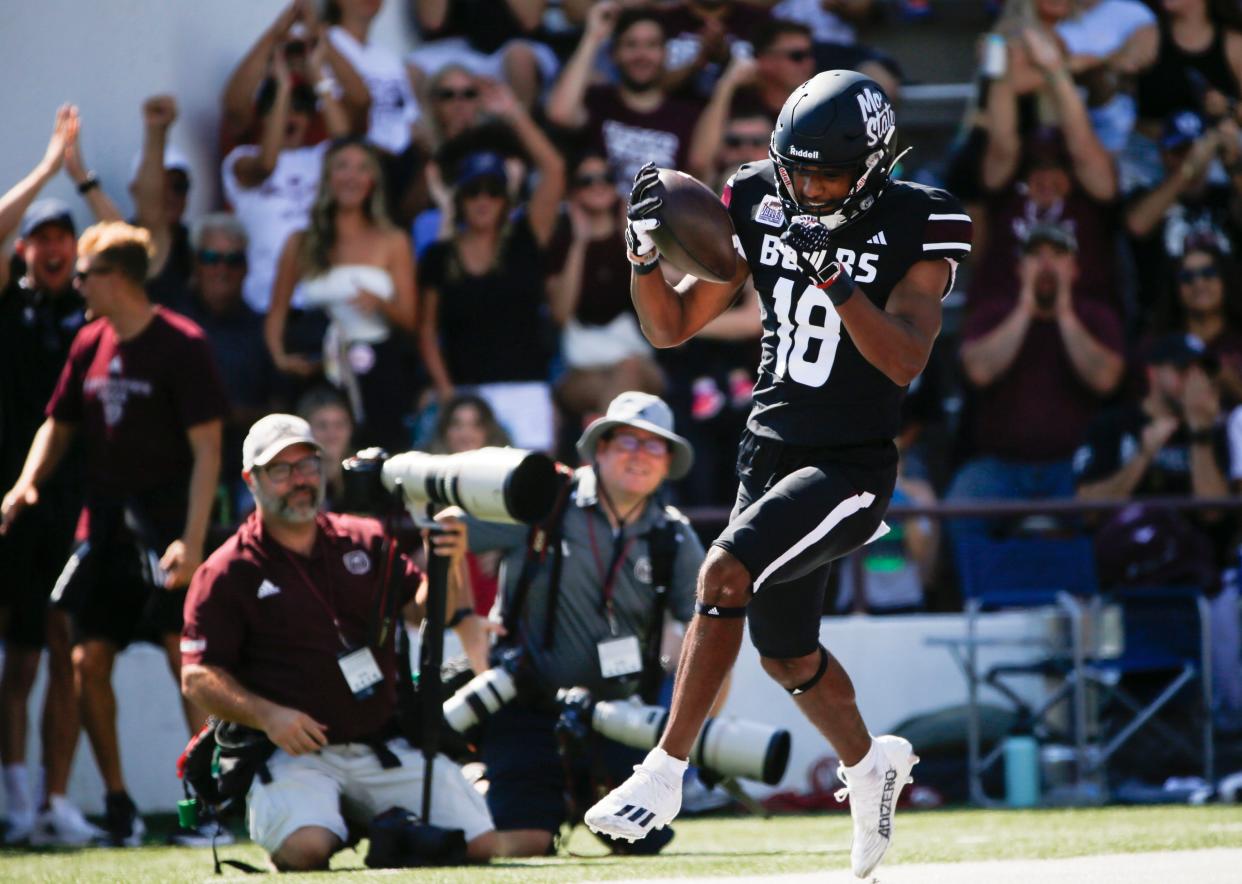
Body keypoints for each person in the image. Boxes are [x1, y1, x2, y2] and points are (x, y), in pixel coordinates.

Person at [583, 71, 973, 879]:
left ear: (872, 166)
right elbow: (672, 325)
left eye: (827, 174)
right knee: (786, 654)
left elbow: (902, 358)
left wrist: (836, 280)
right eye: (797, 169)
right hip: (767, 454)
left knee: (725, 571)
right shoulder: (761, 196)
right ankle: (872, 768)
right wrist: (645, 257)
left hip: (851, 465)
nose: (807, 188)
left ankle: (664, 772)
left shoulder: (920, 217)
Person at [180, 413, 523, 870]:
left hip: (379, 743)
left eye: (306, 466)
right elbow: (197, 676)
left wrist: (451, 558)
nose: (298, 481)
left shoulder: (365, 538)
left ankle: (370, 824)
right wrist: (267, 715)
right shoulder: (227, 570)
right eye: (280, 470)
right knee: (305, 850)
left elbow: (429, 614)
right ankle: (331, 822)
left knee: (478, 844)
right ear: (251, 480)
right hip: (292, 753)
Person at [0, 222, 228, 847]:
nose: (76, 284)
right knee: (84, 659)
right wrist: (27, 482)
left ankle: (207, 805)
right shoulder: (88, 342)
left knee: (188, 662)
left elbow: (209, 450)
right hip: (102, 527)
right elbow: (59, 423)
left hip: (168, 528)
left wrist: (194, 538)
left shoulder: (183, 344)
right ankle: (119, 803)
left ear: (119, 278)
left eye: (86, 273)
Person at [459, 392, 703, 857]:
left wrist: (684, 739)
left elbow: (712, 630)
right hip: (525, 704)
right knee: (526, 841)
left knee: (638, 841)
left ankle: (569, 796)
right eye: (627, 440)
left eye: (654, 446)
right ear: (601, 447)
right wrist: (462, 621)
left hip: (618, 716)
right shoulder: (543, 498)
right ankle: (473, 780)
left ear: (668, 462)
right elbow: (446, 535)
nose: (639, 454)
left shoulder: (673, 534)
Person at [0, 107, 111, 847]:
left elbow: (141, 252)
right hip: (14, 499)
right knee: (21, 656)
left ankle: (57, 801)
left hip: (81, 499)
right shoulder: (9, 304)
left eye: (63, 238)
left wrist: (83, 178)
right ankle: (14, 801)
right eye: (39, 238)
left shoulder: (95, 306)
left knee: (67, 650)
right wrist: (44, 169)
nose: (52, 249)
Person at [949, 221, 1125, 545]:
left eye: (1058, 255)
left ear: (1074, 268)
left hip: (1074, 469)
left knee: (1113, 505)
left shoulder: (1096, 316)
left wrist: (1064, 313)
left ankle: (1090, 595)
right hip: (1002, 468)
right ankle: (980, 595)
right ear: (1020, 268)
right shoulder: (993, 314)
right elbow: (979, 372)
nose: (1046, 265)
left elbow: (1105, 380)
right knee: (962, 499)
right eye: (1036, 255)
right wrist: (1027, 308)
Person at [416, 81, 565, 452]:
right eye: (472, 191)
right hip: (466, 397)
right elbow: (426, 332)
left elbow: (554, 168)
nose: (483, 200)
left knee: (531, 496)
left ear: (506, 199)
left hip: (526, 389)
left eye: (493, 191)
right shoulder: (439, 254)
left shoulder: (525, 239)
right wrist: (448, 394)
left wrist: (515, 115)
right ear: (459, 199)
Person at [266, 137, 418, 453]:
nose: (351, 176)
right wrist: (281, 357)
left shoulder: (393, 239)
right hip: (320, 370)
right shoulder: (302, 240)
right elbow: (277, 311)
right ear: (327, 178)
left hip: (375, 367)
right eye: (342, 167)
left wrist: (379, 304)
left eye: (362, 168)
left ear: (372, 181)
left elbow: (410, 318)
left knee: (377, 452)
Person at [548, 152, 664, 422]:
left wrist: (631, 231)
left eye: (606, 179)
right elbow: (560, 315)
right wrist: (579, 242)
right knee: (618, 391)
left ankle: (601, 443)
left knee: (629, 369)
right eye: (587, 181)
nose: (598, 185)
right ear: (572, 192)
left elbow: (662, 293)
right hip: (580, 369)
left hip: (641, 363)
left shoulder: (640, 236)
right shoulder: (562, 243)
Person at [176, 214, 278, 516]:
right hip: (179, 475)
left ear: (246, 267)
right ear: (196, 263)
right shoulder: (171, 323)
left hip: (246, 476)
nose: (222, 269)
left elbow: (280, 405)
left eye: (233, 260)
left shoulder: (262, 330)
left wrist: (231, 415)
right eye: (211, 258)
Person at [546, 3, 705, 196]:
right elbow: (559, 113)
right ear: (614, 54)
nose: (641, 55)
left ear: (665, 54)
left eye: (651, 45)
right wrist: (593, 37)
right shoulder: (599, 101)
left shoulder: (687, 115)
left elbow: (699, 174)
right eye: (631, 44)